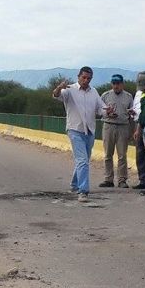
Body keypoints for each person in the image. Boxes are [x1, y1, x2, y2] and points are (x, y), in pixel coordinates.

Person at [52, 66, 113, 202]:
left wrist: (108, 111)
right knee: (83, 161)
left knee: (84, 160)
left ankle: (75, 184)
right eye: (84, 77)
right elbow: (56, 95)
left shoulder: (94, 92)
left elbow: (101, 108)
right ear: (78, 76)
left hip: (90, 130)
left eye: (88, 78)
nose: (86, 80)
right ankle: (83, 191)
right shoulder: (70, 90)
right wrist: (59, 87)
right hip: (75, 129)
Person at [99, 74, 134, 188]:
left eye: (118, 83)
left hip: (123, 126)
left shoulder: (128, 96)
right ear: (111, 84)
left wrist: (132, 130)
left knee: (122, 155)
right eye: (114, 83)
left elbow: (132, 114)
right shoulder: (105, 95)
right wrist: (107, 114)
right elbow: (99, 110)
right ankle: (108, 179)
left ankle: (122, 180)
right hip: (108, 125)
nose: (116, 86)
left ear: (122, 84)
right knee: (108, 154)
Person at [130, 71, 145, 189]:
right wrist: (132, 113)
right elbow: (138, 110)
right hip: (138, 125)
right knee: (140, 154)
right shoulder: (138, 93)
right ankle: (144, 180)